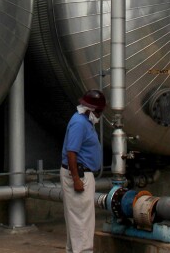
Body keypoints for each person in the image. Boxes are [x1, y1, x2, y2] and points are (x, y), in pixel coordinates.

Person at [61, 89, 106, 253]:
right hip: (79, 174)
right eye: (100, 111)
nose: (101, 114)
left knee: (78, 221)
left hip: (82, 173)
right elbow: (71, 152)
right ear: (91, 109)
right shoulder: (79, 123)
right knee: (82, 221)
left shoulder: (85, 121)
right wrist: (76, 179)